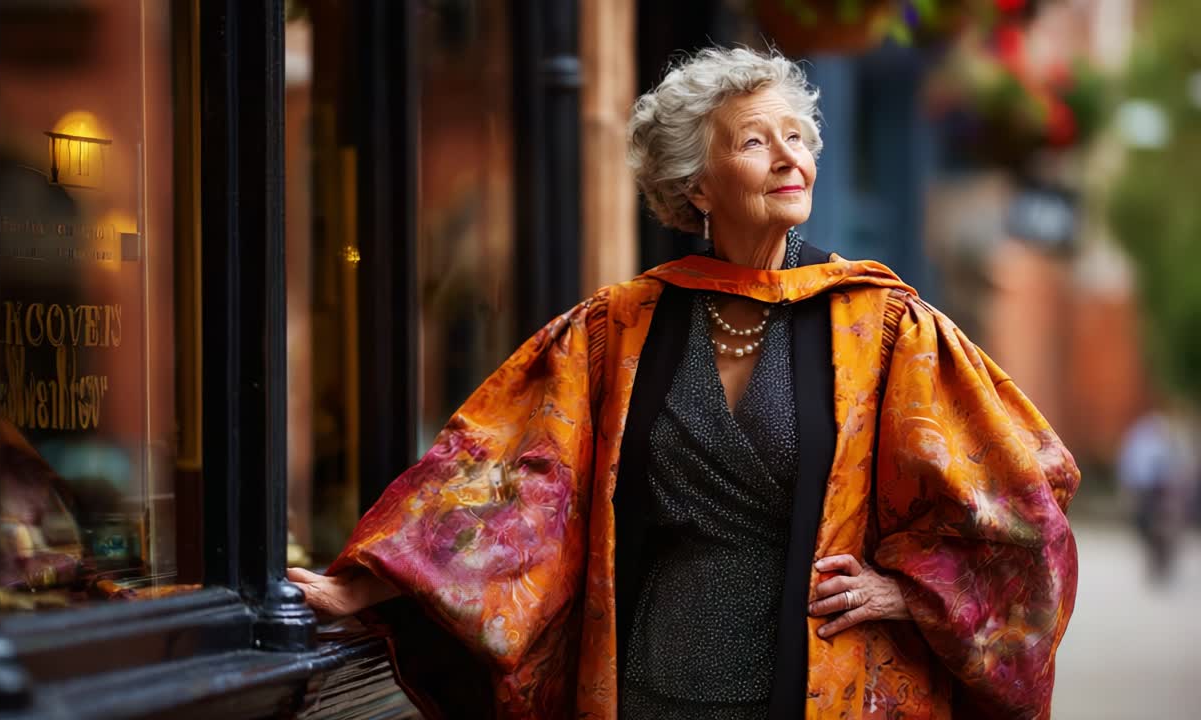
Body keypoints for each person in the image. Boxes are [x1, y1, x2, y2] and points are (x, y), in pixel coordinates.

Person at [289, 46, 1080, 719]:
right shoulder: (619, 329)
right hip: (654, 683)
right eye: (754, 141)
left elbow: (1020, 501)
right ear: (698, 185)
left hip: (822, 683)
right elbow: (514, 483)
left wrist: (914, 593)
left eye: (798, 136)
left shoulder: (883, 327)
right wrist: (368, 589)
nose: (788, 157)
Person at [1117, 405, 1196, 584]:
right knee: (1146, 526)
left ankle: (1161, 563)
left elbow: (1175, 466)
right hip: (1145, 488)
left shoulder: (1163, 438)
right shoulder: (1139, 437)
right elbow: (1129, 464)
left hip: (1160, 489)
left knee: (1162, 527)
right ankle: (1156, 561)